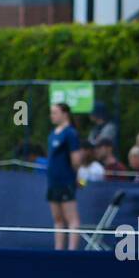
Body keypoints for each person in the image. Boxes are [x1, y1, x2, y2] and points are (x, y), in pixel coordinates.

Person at [46, 101, 83, 250]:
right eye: (51, 112)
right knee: (58, 219)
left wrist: (77, 178)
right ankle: (58, 251)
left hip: (66, 182)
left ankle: (72, 252)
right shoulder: (52, 134)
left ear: (65, 114)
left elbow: (76, 160)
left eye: (55, 112)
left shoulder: (71, 133)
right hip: (53, 182)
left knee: (72, 219)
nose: (52, 116)